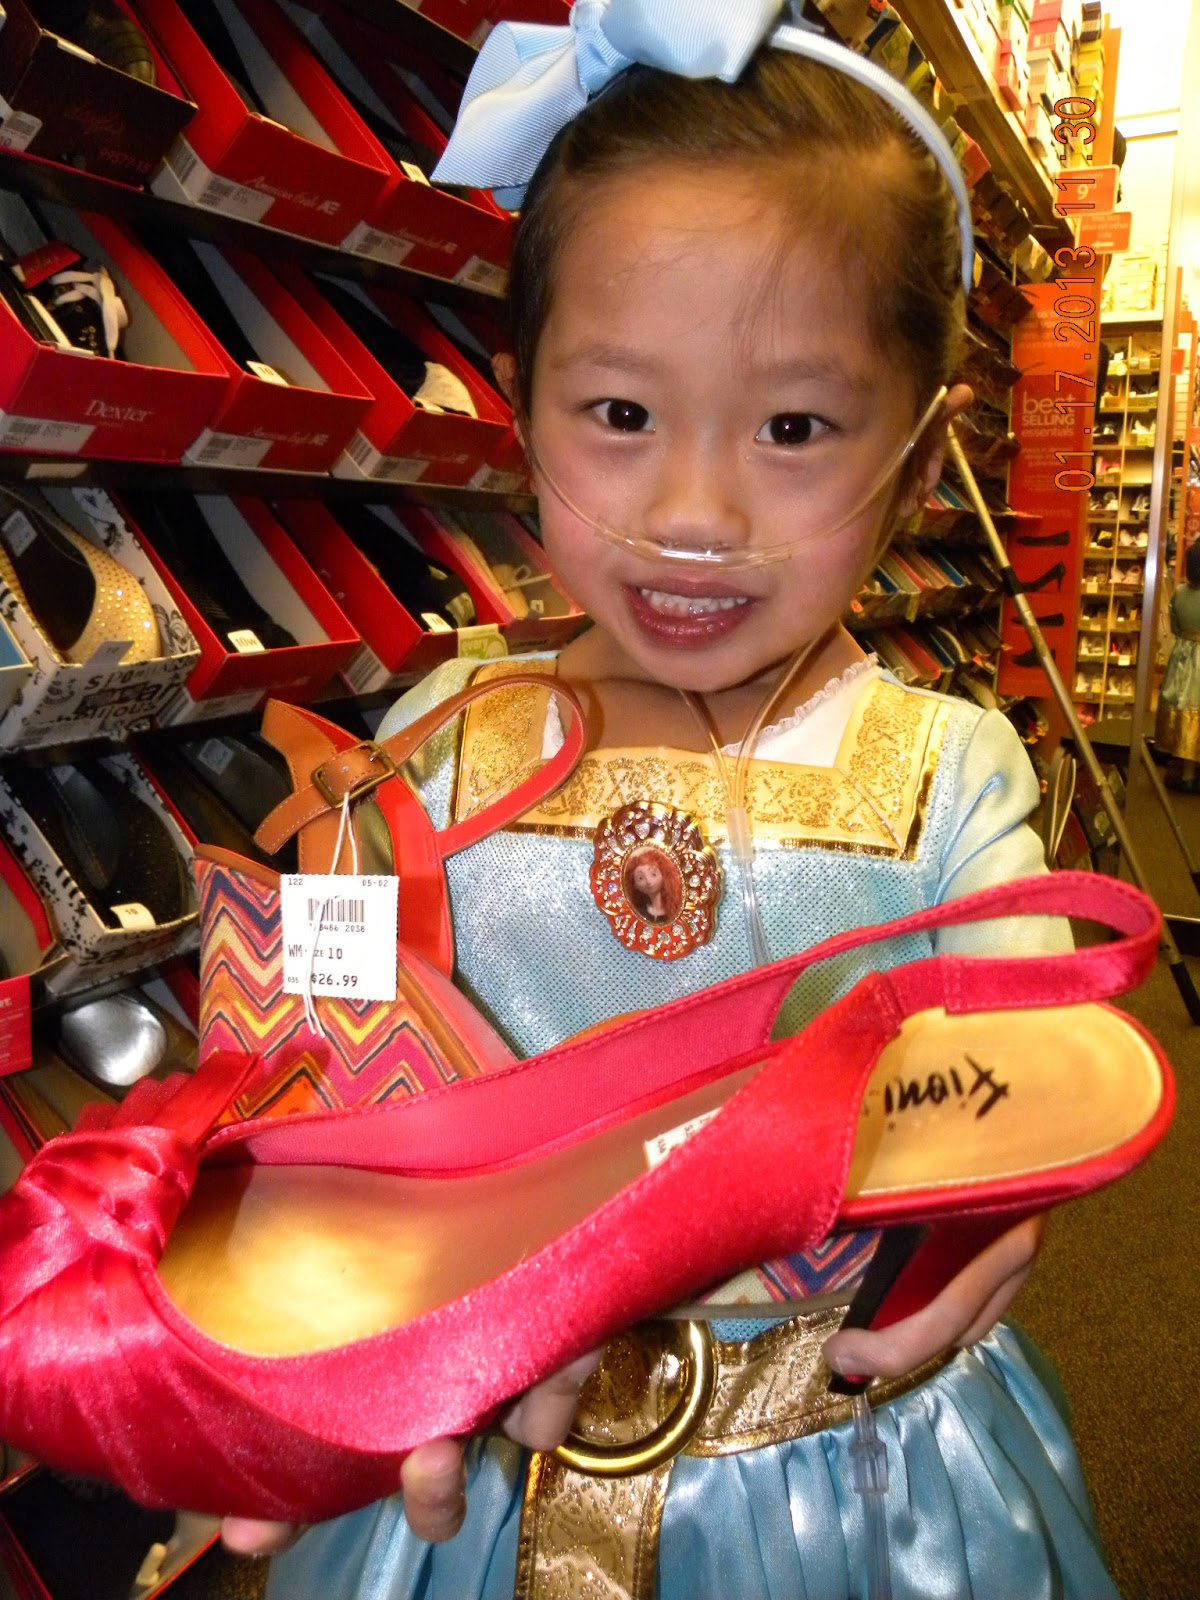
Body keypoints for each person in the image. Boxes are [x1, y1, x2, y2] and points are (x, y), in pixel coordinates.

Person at [226, 8, 1119, 1596]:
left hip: (850, 1482)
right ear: (521, 408)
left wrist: (999, 1187)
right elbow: (314, 1069)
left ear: (923, 463)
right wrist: (283, 1307)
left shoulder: (947, 775)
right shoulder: (421, 753)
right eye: (623, 415)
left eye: (794, 429)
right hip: (476, 1474)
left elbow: (1037, 1044)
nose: (695, 515)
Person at [1155, 538, 1200, 791]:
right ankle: (1192, 771)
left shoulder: (1180, 593)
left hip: (1182, 657)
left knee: (1182, 708)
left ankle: (1183, 768)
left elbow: (1174, 626)